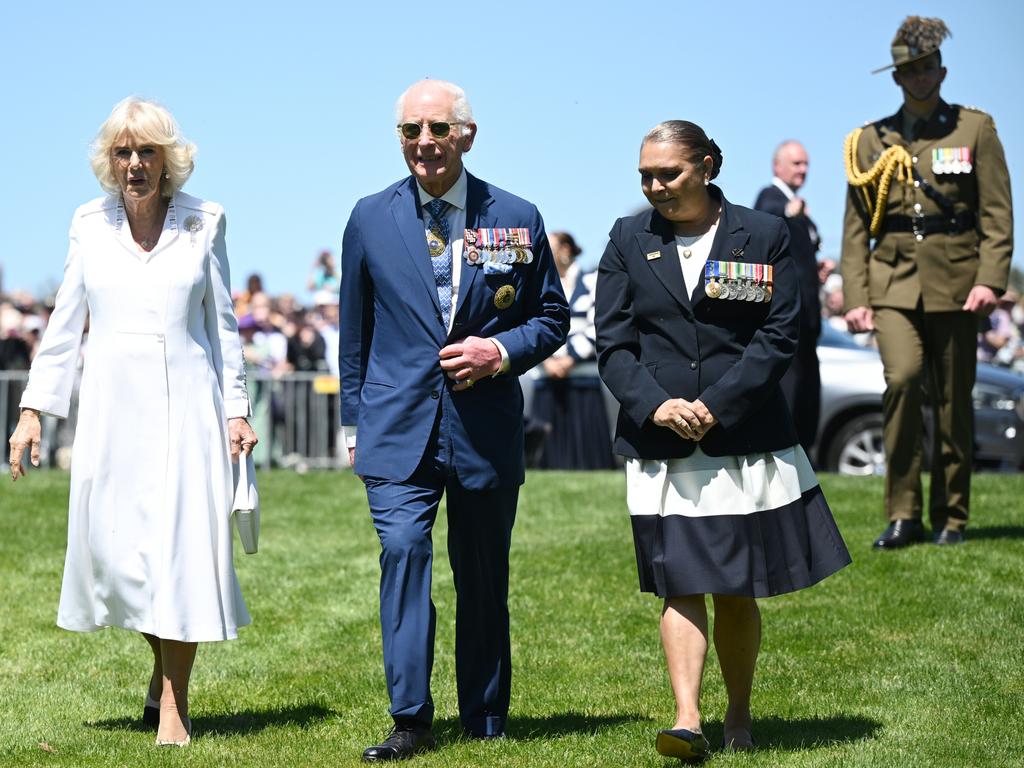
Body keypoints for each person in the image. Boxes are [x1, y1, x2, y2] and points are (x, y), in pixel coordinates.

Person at [595, 120, 850, 761]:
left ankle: (739, 713)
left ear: (707, 165)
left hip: (744, 437)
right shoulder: (627, 238)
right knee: (679, 580)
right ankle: (687, 718)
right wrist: (658, 406)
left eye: (668, 174)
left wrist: (716, 406)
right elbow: (614, 343)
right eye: (645, 176)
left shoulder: (764, 234)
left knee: (736, 584)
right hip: (662, 442)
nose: (655, 187)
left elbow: (779, 334)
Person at [6, 97, 257, 747]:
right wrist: (33, 410)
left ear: (168, 158)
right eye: (123, 152)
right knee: (114, 558)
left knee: (182, 555)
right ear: (109, 161)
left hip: (189, 409)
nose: (135, 164)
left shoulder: (206, 221)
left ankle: (174, 703)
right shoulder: (88, 224)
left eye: (147, 151)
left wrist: (237, 410)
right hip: (112, 415)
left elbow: (223, 327)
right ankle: (160, 667)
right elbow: (64, 328)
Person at [339, 79, 568, 761]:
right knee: (404, 554)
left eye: (437, 129)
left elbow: (551, 317)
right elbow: (354, 332)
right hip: (394, 426)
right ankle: (409, 718)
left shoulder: (517, 215)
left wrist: (498, 350)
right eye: (411, 131)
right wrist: (354, 425)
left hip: (484, 428)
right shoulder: (369, 217)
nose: (424, 144)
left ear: (466, 134)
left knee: (482, 573)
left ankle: (486, 714)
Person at [840, 16, 1013, 548]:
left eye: (927, 67)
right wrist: (856, 296)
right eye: (909, 70)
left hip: (959, 284)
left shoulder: (974, 129)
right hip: (891, 281)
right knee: (903, 380)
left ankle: (952, 516)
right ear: (896, 77)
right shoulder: (869, 141)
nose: (919, 77)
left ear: (942, 70)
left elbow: (997, 214)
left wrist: (991, 280)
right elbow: (854, 229)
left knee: (953, 401)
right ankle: (903, 514)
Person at [754, 141, 822, 452]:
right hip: (790, 314)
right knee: (791, 380)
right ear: (777, 166)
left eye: (806, 164)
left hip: (809, 315)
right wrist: (786, 210)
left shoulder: (799, 205)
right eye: (796, 164)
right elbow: (764, 216)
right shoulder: (773, 197)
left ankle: (804, 449)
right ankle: (785, 446)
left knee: (808, 383)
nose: (803, 170)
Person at [529, 231, 615, 469]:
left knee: (587, 456)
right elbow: (529, 324)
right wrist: (547, 360)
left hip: (582, 382)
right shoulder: (538, 284)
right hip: (546, 379)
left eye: (550, 246)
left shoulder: (593, 281)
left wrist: (570, 360)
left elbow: (598, 325)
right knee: (546, 458)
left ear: (565, 250)